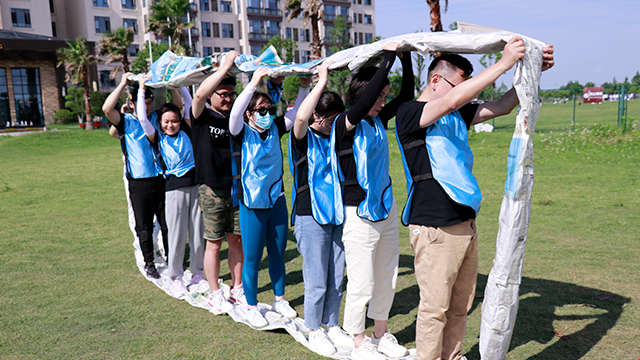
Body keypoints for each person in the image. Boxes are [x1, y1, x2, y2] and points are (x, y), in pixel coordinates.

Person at [394, 37, 554, 360]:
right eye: (461, 85)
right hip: (434, 229)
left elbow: (504, 105)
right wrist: (503, 63)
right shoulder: (409, 113)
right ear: (436, 80)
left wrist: (534, 71)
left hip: (466, 224)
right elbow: (452, 102)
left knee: (460, 308)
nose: (469, 94)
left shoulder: (456, 112)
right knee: (434, 309)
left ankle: (452, 356)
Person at [330, 41, 413, 360]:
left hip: (386, 210)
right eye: (378, 96)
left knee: (387, 277)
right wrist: (388, 57)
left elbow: (405, 96)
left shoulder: (379, 120)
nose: (382, 101)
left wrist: (404, 62)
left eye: (383, 97)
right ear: (363, 96)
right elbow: (366, 99)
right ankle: (357, 340)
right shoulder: (344, 124)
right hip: (358, 215)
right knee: (362, 282)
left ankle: (380, 335)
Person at [228, 67, 306, 328]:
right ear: (250, 114)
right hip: (252, 204)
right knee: (252, 258)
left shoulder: (275, 127)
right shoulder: (240, 131)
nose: (268, 115)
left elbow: (295, 115)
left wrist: (305, 86)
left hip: (277, 201)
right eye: (262, 111)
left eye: (270, 110)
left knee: (277, 253)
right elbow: (235, 113)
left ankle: (279, 299)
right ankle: (250, 306)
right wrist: (253, 84)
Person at [289, 60, 353, 356]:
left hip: (337, 213)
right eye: (330, 119)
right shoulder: (301, 136)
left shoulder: (336, 136)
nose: (334, 125)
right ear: (317, 114)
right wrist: (321, 82)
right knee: (317, 278)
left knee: (336, 275)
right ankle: (314, 329)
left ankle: (331, 325)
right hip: (309, 215)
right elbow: (300, 119)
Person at [134, 75, 206, 298]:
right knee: (176, 235)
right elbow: (143, 119)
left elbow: (190, 106)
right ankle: (176, 276)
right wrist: (142, 88)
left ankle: (197, 273)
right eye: (166, 121)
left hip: (196, 187)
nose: (171, 124)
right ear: (161, 124)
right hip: (173, 189)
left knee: (197, 233)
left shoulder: (187, 130)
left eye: (174, 120)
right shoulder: (157, 137)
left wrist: (181, 85)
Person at [102, 73, 180, 279]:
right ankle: (150, 263)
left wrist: (172, 85)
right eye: (140, 102)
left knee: (167, 223)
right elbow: (106, 109)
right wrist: (121, 84)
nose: (145, 106)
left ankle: (174, 259)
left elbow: (177, 108)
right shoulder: (125, 121)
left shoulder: (156, 117)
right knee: (144, 226)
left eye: (148, 102)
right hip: (139, 182)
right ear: (131, 102)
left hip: (161, 179)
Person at [189, 51, 247, 313]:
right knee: (214, 243)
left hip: (236, 189)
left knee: (237, 241)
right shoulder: (201, 116)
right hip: (211, 189)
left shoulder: (237, 118)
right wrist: (224, 67)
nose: (227, 98)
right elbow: (199, 95)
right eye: (222, 93)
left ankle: (237, 288)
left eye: (230, 94)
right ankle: (215, 293)